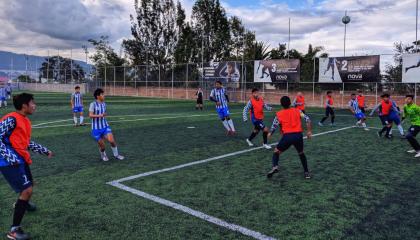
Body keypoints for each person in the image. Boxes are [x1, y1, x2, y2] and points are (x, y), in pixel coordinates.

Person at [0, 93, 53, 240]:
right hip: (8, 161)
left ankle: (23, 204)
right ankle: (14, 230)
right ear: (24, 105)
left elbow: (26, 142)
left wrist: (44, 150)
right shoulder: (11, 119)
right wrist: (11, 157)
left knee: (29, 184)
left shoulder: (25, 120)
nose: (34, 105)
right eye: (32, 103)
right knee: (27, 189)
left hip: (20, 158)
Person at [267, 96, 312, 179]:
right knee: (301, 153)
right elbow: (307, 119)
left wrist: (270, 133)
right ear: (290, 103)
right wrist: (309, 131)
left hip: (287, 137)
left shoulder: (279, 114)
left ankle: (275, 167)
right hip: (298, 136)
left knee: (276, 152)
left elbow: (274, 126)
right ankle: (306, 173)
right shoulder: (298, 110)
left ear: (281, 105)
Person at [89, 88, 124, 161]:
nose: (104, 95)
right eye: (102, 94)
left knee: (112, 141)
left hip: (105, 126)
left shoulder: (104, 104)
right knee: (102, 147)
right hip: (96, 129)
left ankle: (116, 155)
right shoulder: (93, 104)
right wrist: (101, 115)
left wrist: (103, 115)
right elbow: (90, 115)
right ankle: (103, 155)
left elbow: (103, 114)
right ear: (98, 96)